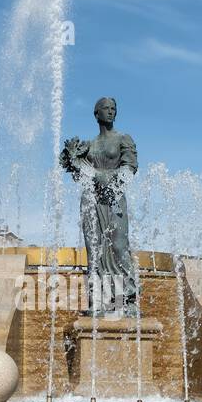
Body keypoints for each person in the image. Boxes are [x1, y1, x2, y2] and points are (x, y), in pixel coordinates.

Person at [59, 97, 138, 317]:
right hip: (91, 201)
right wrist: (73, 162)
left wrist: (109, 178)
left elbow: (130, 168)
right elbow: (79, 176)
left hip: (114, 199)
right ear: (96, 114)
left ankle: (125, 300)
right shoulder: (89, 145)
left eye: (114, 109)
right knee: (95, 251)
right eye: (106, 109)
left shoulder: (123, 138)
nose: (111, 112)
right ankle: (98, 300)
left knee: (119, 247)